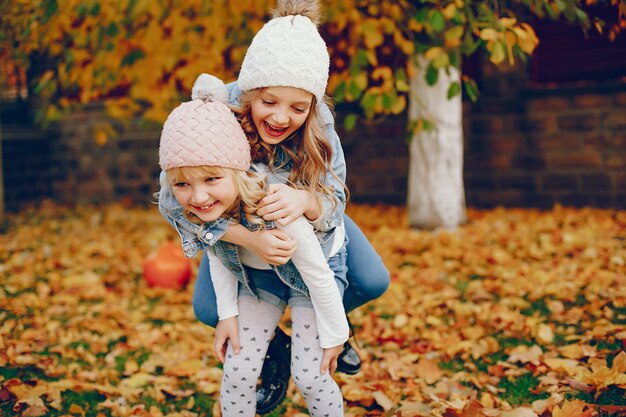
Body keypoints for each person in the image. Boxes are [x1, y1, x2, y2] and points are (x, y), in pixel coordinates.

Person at [159, 0, 390, 412]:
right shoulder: (214, 114)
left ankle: (324, 325)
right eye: (268, 102)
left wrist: (304, 199)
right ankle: (275, 349)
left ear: (312, 105)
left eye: (297, 108)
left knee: (372, 280)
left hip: (306, 218)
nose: (282, 117)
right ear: (249, 90)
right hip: (239, 230)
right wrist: (248, 238)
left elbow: (335, 198)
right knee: (209, 308)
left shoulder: (318, 123)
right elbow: (178, 203)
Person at [158, 90, 347, 416]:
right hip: (258, 276)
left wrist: (335, 335)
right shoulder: (207, 206)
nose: (199, 196)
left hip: (310, 277)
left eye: (212, 179)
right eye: (182, 185)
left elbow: (318, 275)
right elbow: (218, 255)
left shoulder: (273, 208)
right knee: (238, 370)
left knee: (311, 376)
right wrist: (227, 315)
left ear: (238, 171)